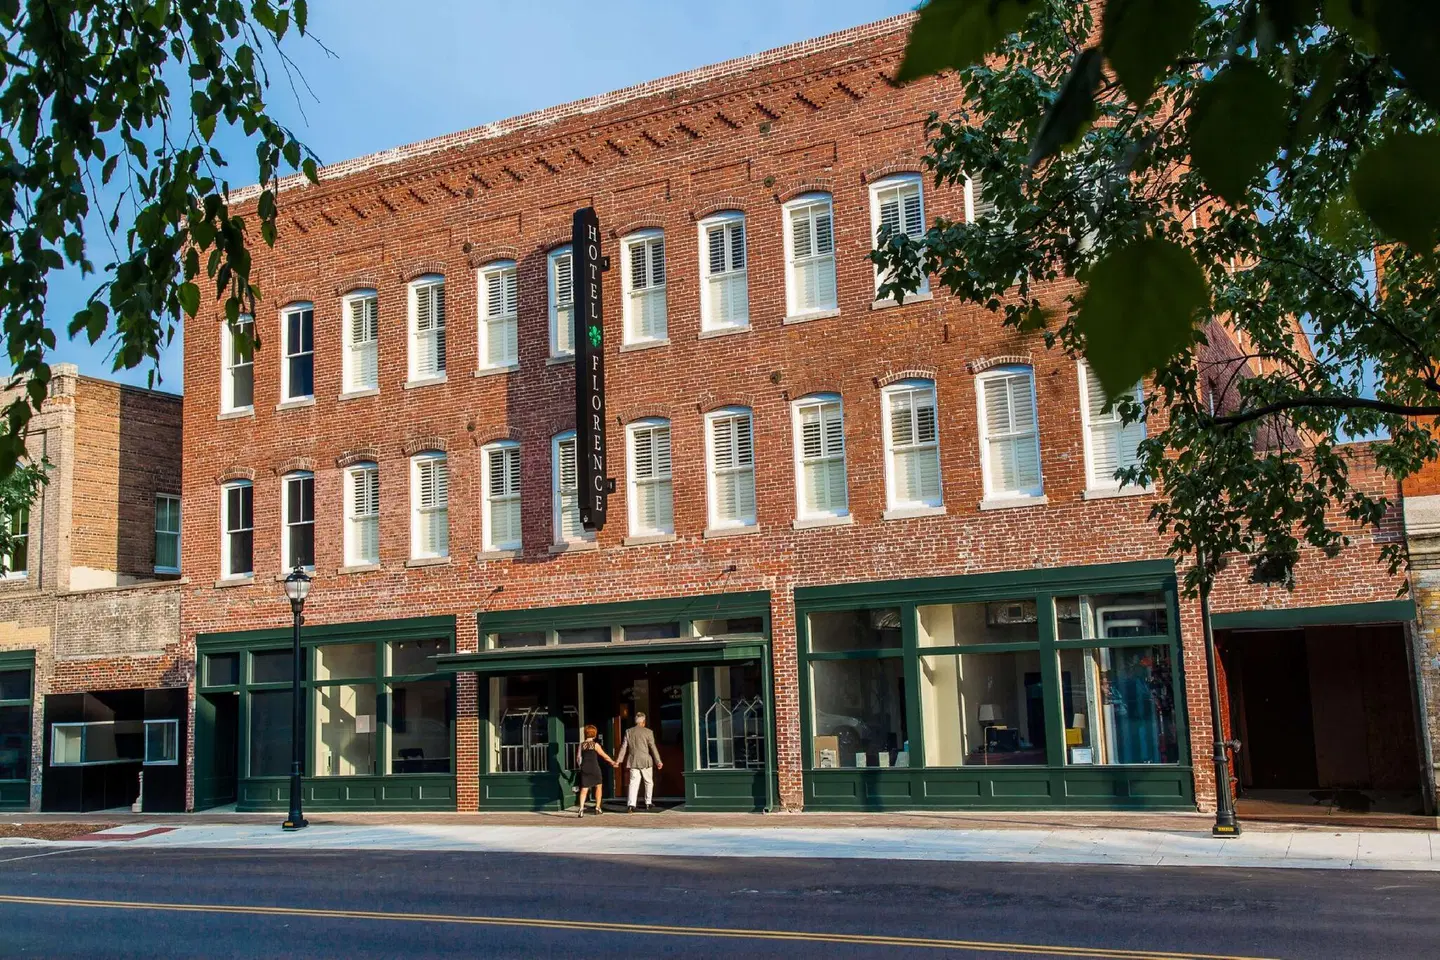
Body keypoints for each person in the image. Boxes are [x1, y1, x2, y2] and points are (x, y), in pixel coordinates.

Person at [615, 711, 663, 812]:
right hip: (646, 760)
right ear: (644, 721)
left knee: (633, 783)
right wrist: (658, 761)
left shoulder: (628, 732)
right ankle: (648, 802)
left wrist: (619, 760)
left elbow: (624, 747)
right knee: (648, 782)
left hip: (633, 760)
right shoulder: (648, 732)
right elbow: (653, 747)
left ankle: (631, 804)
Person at [575, 725, 616, 818]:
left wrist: (580, 766)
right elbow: (604, 755)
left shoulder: (581, 745)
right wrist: (613, 762)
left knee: (584, 788)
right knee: (598, 786)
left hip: (585, 768)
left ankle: (581, 809)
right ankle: (597, 807)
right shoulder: (595, 745)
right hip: (594, 767)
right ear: (594, 734)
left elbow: (578, 758)